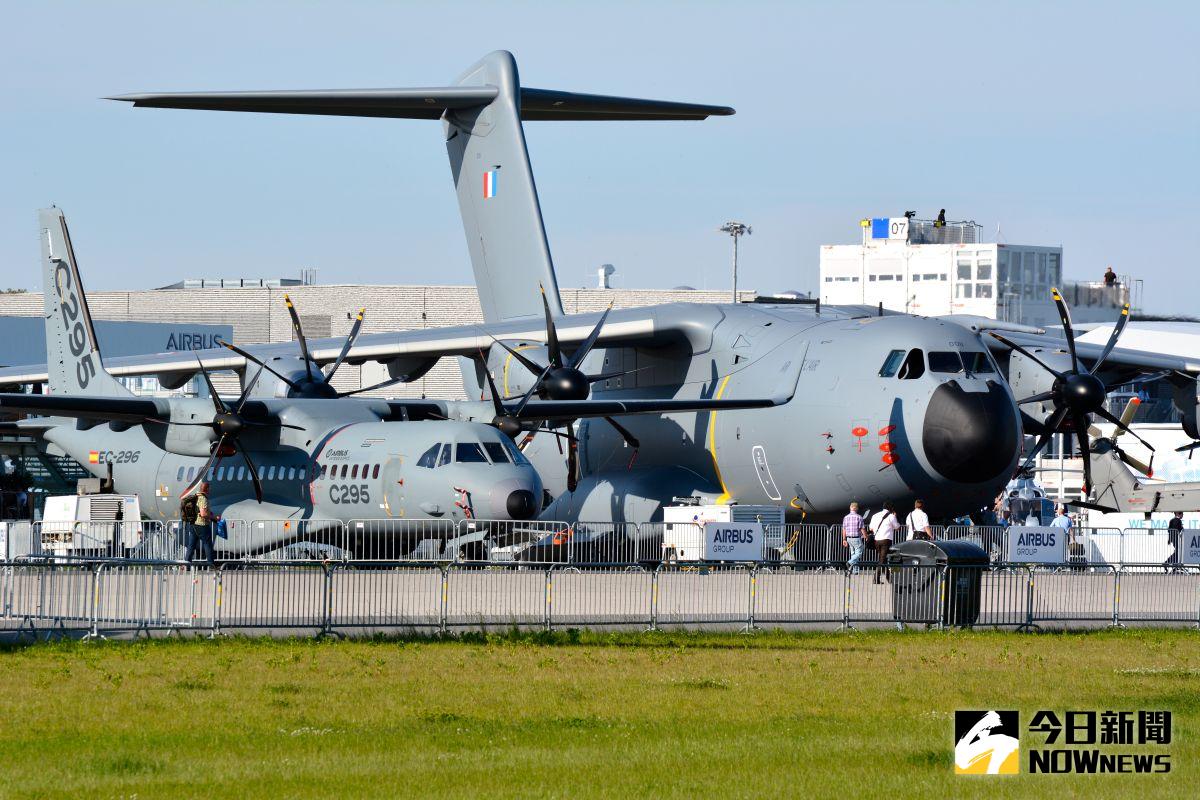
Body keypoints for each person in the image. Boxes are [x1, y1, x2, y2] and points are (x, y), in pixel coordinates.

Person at [182, 483, 216, 567]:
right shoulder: (203, 498)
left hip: (193, 524)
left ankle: (187, 564)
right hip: (202, 525)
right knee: (207, 544)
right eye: (209, 488)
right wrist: (213, 517)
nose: (210, 490)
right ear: (207, 489)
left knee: (191, 545)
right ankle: (211, 564)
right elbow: (203, 514)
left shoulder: (195, 496)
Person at [869, 502, 900, 584]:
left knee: (884, 559)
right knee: (882, 560)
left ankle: (889, 578)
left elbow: (871, 528)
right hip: (886, 540)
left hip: (877, 540)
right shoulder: (891, 516)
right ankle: (876, 578)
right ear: (890, 508)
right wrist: (895, 517)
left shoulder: (875, 515)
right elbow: (897, 527)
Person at [842, 502, 866, 572]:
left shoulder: (846, 517)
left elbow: (844, 529)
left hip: (849, 538)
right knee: (859, 552)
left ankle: (855, 570)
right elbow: (862, 528)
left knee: (853, 554)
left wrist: (844, 539)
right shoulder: (859, 517)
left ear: (850, 508)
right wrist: (865, 536)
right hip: (856, 538)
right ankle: (849, 562)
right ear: (857, 508)